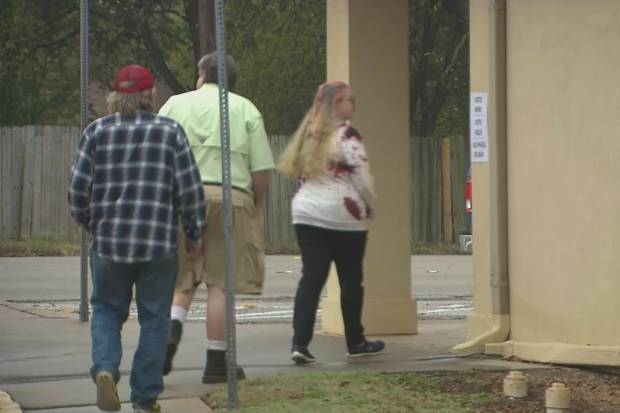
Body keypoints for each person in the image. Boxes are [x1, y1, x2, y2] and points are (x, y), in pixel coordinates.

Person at [67, 65, 207, 413]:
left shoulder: (96, 132)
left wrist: (92, 224)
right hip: (158, 245)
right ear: (150, 96)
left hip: (109, 244)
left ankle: (104, 369)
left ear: (116, 96)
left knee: (106, 311)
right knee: (156, 320)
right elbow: (190, 190)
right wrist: (193, 231)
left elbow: (77, 192)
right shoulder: (171, 132)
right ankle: (144, 399)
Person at [158, 52, 275, 383]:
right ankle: (216, 361)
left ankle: (171, 328)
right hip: (230, 196)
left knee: (182, 277)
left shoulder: (173, 106)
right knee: (220, 283)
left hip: (181, 196)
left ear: (201, 77)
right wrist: (257, 204)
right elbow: (261, 168)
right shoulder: (245, 109)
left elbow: (160, 155)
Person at [277, 81, 385, 364]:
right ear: (337, 103)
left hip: (307, 214)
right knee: (351, 280)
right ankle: (355, 341)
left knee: (312, 278)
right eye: (350, 99)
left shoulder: (309, 134)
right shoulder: (347, 135)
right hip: (344, 218)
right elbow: (361, 178)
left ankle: (300, 343)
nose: (354, 104)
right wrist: (371, 206)